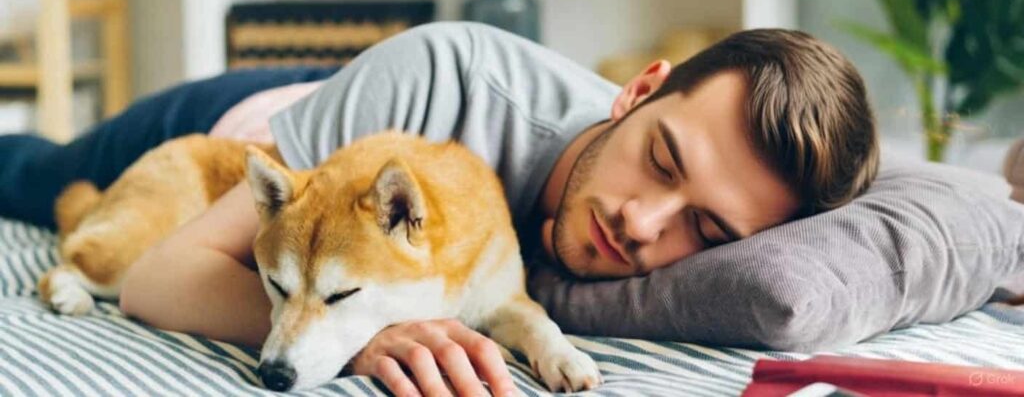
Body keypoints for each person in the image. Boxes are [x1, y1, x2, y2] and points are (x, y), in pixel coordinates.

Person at [0, 22, 879, 397]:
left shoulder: (750, 226)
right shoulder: (448, 72)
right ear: (639, 90)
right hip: (235, 134)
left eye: (709, 230)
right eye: (661, 159)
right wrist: (361, 331)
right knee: (33, 171)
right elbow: (159, 278)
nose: (644, 225)